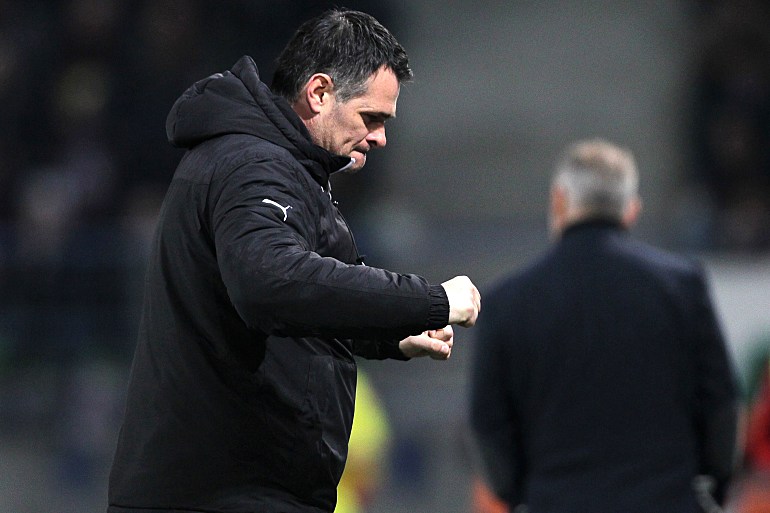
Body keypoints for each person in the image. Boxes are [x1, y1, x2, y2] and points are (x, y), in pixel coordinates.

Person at [107, 9, 481, 513]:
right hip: (225, 493)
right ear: (319, 92)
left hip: (231, 488)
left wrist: (389, 335)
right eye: (371, 117)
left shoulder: (279, 167)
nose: (379, 138)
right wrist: (431, 301)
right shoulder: (254, 166)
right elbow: (271, 283)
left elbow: (288, 307)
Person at [469, 139, 739, 513]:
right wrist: (712, 483)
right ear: (632, 209)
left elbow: (488, 422)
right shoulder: (682, 286)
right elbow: (721, 402)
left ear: (559, 201)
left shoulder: (508, 302)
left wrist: (521, 493)